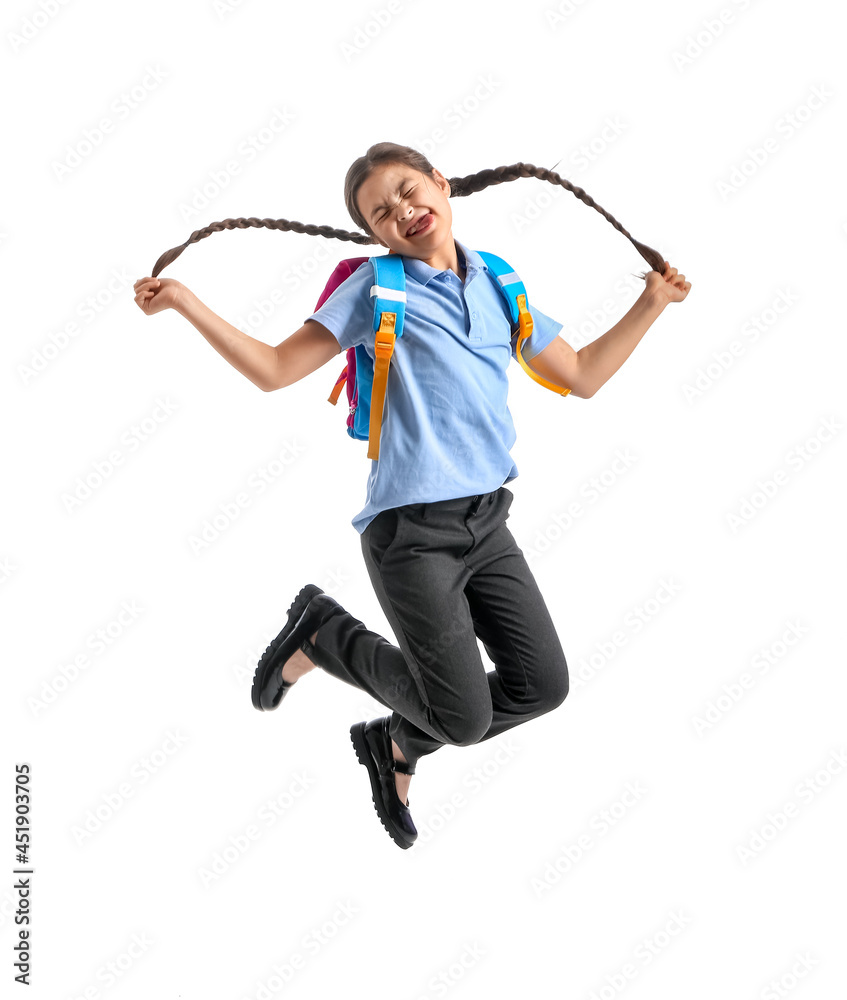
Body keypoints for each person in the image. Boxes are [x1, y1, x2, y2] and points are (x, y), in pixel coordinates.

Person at [133, 142, 691, 849]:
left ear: (440, 183)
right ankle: (324, 635)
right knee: (462, 719)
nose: (401, 211)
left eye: (406, 190)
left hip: (488, 523)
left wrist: (651, 303)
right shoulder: (375, 290)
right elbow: (275, 369)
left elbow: (579, 374)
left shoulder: (499, 281)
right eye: (380, 212)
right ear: (374, 235)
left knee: (540, 687)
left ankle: (397, 743)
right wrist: (185, 303)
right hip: (411, 535)